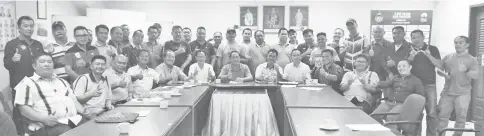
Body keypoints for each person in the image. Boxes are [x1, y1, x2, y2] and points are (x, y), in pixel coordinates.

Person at [15, 54, 88, 136]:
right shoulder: (27, 83)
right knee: (68, 132)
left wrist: (85, 112)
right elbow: (23, 108)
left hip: (73, 120)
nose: (46, 64)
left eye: (49, 62)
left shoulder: (62, 81)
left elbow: (73, 100)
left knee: (91, 126)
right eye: (42, 62)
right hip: (47, 125)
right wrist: (42, 118)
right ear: (34, 66)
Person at [437, 36, 478, 136]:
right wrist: (444, 75)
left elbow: (476, 75)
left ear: (467, 45)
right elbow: (439, 69)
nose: (457, 45)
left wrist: (466, 70)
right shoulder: (448, 57)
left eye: (460, 43)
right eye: (456, 42)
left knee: (460, 118)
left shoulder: (472, 60)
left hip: (463, 93)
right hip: (447, 92)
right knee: (442, 117)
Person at [372, 59, 425, 133]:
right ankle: (381, 132)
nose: (401, 68)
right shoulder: (396, 78)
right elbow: (387, 83)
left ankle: (392, 133)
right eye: (399, 66)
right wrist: (377, 84)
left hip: (402, 105)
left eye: (404, 66)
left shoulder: (416, 81)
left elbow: (420, 97)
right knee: (374, 116)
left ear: (410, 67)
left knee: (390, 118)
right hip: (388, 103)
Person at [407, 29, 442, 136]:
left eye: (418, 37)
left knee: (432, 113)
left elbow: (439, 65)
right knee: (416, 113)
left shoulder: (432, 48)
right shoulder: (408, 49)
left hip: (429, 85)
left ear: (423, 37)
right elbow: (404, 66)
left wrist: (429, 55)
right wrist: (411, 58)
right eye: (413, 37)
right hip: (414, 86)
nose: (415, 39)